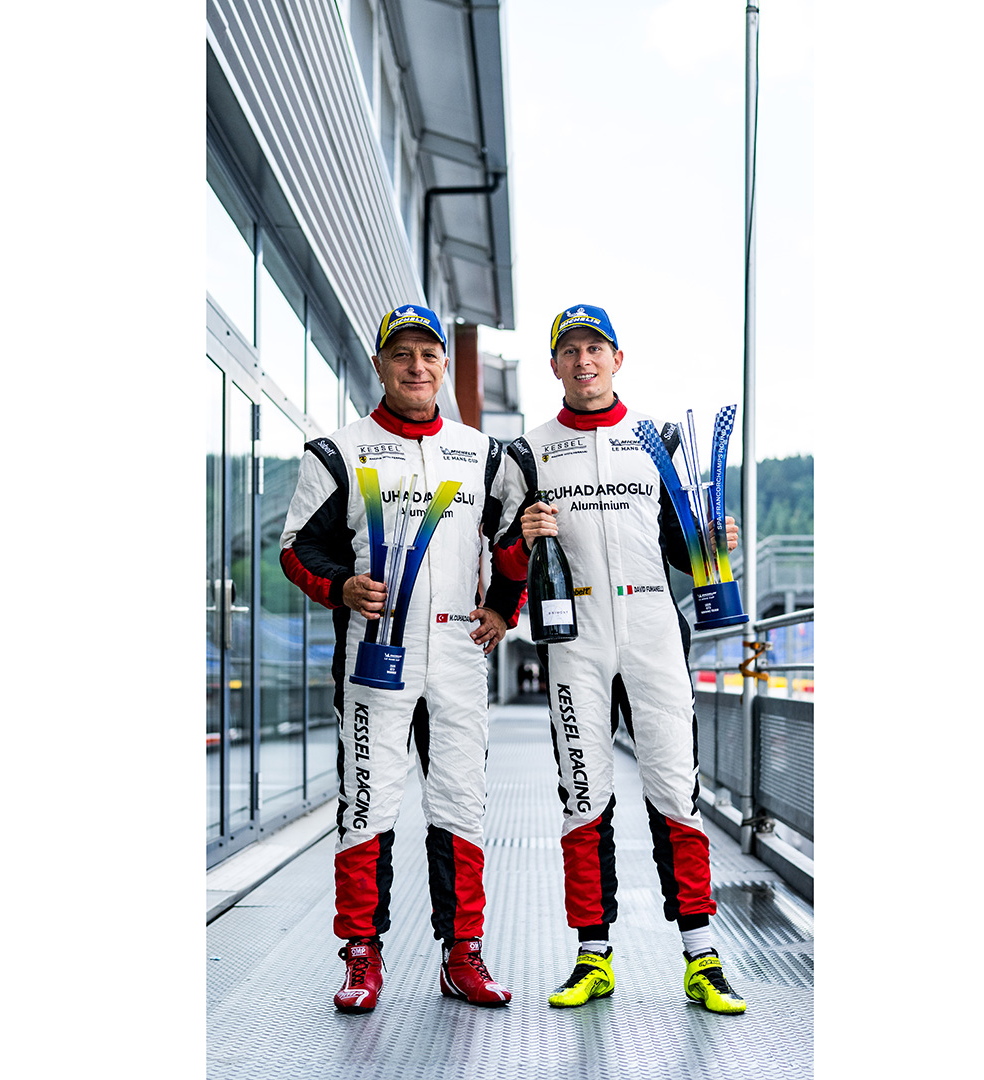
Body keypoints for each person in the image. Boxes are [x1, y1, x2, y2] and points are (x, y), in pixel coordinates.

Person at [493, 303, 749, 1015]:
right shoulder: (527, 451)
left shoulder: (654, 441)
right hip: (574, 635)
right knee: (583, 794)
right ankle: (592, 956)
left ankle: (702, 957)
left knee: (676, 792)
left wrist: (712, 542)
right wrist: (522, 537)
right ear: (554, 365)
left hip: (652, 629)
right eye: (570, 350)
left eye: (595, 348)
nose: (584, 361)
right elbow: (504, 558)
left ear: (617, 358)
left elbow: (681, 550)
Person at [278, 304, 523, 1013]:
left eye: (429, 355)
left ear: (443, 365)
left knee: (461, 803)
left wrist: (503, 606)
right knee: (367, 802)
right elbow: (297, 548)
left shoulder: (482, 454)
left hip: (457, 652)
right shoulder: (337, 451)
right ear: (380, 365)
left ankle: (463, 954)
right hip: (373, 653)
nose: (417, 367)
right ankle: (361, 955)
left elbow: (515, 537)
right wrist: (340, 586)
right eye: (402, 355)